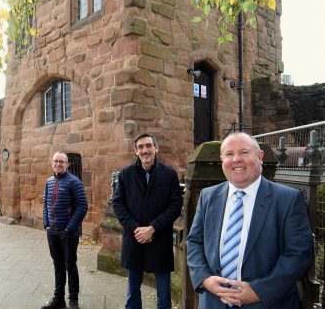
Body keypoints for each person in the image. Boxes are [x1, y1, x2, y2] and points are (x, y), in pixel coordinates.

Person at [186, 132, 314, 308]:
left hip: (268, 303)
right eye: (229, 154)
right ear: (222, 160)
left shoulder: (288, 199)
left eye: (244, 152)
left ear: (260, 157)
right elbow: (194, 242)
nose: (236, 159)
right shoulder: (208, 196)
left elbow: (299, 254)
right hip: (213, 302)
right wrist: (205, 279)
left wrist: (259, 291)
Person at [112, 132, 183, 309]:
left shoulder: (169, 174)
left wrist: (152, 228)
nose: (145, 150)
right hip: (134, 238)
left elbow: (175, 206)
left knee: (164, 296)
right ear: (136, 151)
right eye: (141, 147)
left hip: (159, 239)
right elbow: (118, 204)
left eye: (149, 146)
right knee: (132, 294)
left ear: (156, 148)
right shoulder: (126, 174)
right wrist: (136, 229)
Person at [42, 151, 88, 309]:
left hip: (68, 232)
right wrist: (46, 224)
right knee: (57, 265)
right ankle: (58, 299)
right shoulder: (48, 182)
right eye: (55, 161)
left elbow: (82, 206)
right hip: (52, 231)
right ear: (52, 163)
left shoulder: (74, 182)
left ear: (67, 164)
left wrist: (70, 228)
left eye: (61, 161)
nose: (58, 164)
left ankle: (73, 300)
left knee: (70, 265)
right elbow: (45, 204)